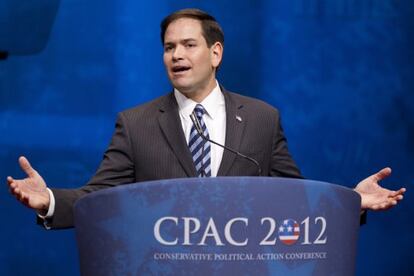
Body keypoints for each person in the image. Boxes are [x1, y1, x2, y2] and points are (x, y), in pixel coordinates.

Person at [7, 8, 405, 229]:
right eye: (168, 47)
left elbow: (292, 200)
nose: (176, 55)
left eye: (187, 45)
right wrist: (51, 201)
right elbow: (99, 199)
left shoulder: (263, 119)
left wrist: (351, 203)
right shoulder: (137, 123)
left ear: (215, 53)